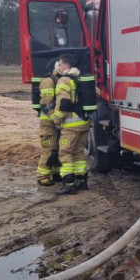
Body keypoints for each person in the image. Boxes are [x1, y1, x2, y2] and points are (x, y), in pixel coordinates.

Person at [49, 53, 91, 195]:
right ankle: (82, 181)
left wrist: (56, 120)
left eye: (60, 64)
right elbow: (95, 93)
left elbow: (63, 104)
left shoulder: (64, 81)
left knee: (65, 153)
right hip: (84, 123)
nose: (58, 67)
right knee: (79, 152)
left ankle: (69, 184)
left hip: (70, 125)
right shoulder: (82, 78)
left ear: (66, 66)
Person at [35, 56, 70, 186]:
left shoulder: (63, 80)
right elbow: (46, 104)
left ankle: (56, 173)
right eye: (60, 65)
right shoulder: (48, 81)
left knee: (58, 149)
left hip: (57, 122)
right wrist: (55, 120)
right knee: (49, 150)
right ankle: (42, 176)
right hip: (48, 123)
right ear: (57, 67)